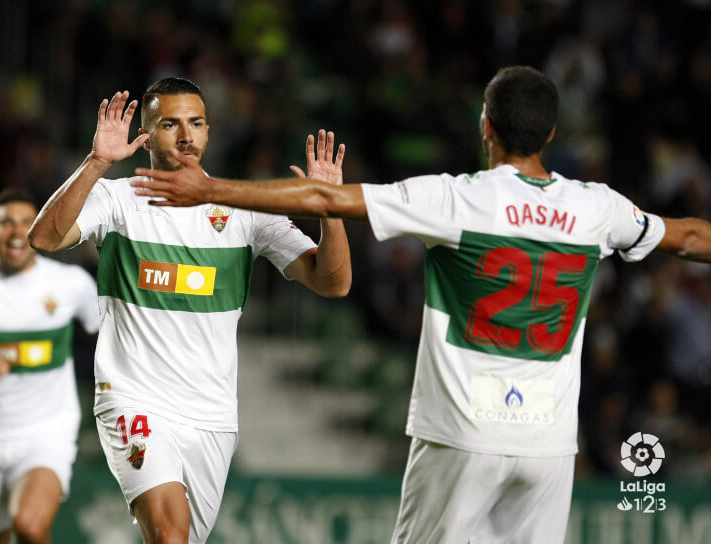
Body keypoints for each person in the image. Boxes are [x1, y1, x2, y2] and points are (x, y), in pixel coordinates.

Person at [130, 66, 711, 543]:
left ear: (486, 126)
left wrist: (210, 190)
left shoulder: (455, 199)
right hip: (550, 443)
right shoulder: (597, 208)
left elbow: (321, 194)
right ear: (553, 133)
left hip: (462, 434)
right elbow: (686, 237)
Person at [27, 77, 351, 543]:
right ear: (147, 135)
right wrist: (97, 162)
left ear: (209, 130)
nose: (185, 136)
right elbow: (44, 237)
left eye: (196, 123)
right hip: (133, 400)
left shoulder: (246, 210)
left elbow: (333, 282)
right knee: (169, 535)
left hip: (212, 417)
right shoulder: (118, 201)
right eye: (169, 124)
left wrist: (330, 210)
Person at [0, 189, 99, 544]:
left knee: (27, 524)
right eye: (6, 223)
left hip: (46, 432)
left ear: (39, 228)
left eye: (27, 223)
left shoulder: (71, 283)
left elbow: (110, 334)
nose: (16, 232)